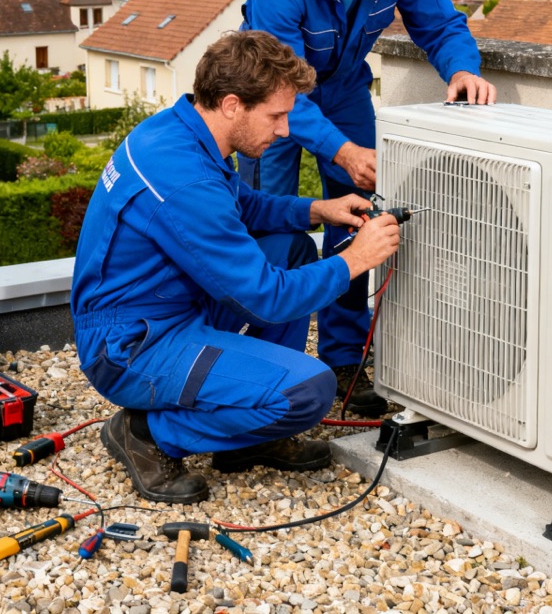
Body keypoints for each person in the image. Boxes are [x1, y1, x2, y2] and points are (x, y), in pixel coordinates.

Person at [71, 30, 401, 503]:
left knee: (291, 248)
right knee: (309, 390)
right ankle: (145, 433)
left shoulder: (180, 131)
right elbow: (266, 298)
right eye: (276, 116)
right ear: (232, 105)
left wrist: (316, 210)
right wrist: (355, 259)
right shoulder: (183, 179)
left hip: (168, 306)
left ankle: (249, 437)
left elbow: (240, 204)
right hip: (131, 346)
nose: (285, 131)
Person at [241, 0, 497, 413]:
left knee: (357, 217)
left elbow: (440, 24)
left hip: (344, 92)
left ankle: (343, 358)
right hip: (273, 100)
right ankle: (267, 365)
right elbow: (280, 85)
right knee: (271, 224)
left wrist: (462, 69)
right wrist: (341, 151)